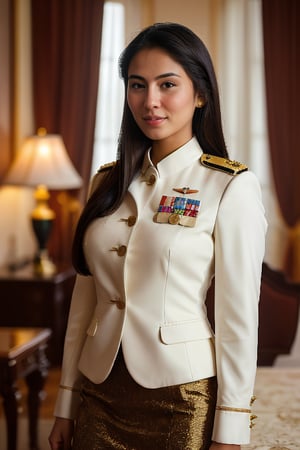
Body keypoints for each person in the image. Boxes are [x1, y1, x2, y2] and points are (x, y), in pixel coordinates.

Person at [49, 22, 267, 450]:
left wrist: (232, 427)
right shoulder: (105, 184)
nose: (150, 101)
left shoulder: (228, 185)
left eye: (168, 84)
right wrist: (65, 402)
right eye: (137, 85)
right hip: (100, 390)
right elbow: (84, 301)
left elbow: (238, 316)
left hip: (181, 395)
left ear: (200, 94)